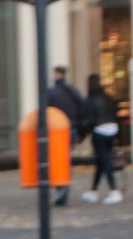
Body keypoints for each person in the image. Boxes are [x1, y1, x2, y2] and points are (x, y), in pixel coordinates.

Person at [80, 73, 121, 204]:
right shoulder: (108, 97)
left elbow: (88, 121)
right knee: (101, 161)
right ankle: (93, 190)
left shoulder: (89, 100)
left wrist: (82, 136)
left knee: (105, 160)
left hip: (99, 132)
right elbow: (116, 111)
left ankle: (114, 190)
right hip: (112, 129)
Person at [47, 65, 84, 207]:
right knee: (65, 159)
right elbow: (82, 110)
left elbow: (47, 113)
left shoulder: (51, 92)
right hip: (71, 129)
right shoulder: (74, 91)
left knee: (55, 160)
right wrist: (81, 131)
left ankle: (61, 187)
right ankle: (64, 187)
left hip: (56, 131)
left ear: (56, 75)